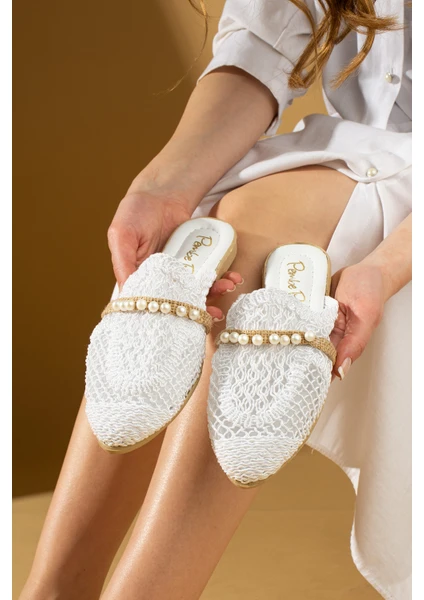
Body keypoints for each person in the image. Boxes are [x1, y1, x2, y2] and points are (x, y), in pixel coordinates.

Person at [20, 1, 412, 599]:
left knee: (252, 245)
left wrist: (384, 270)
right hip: (362, 152)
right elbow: (264, 41)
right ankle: (54, 589)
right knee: (195, 244)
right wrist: (162, 187)